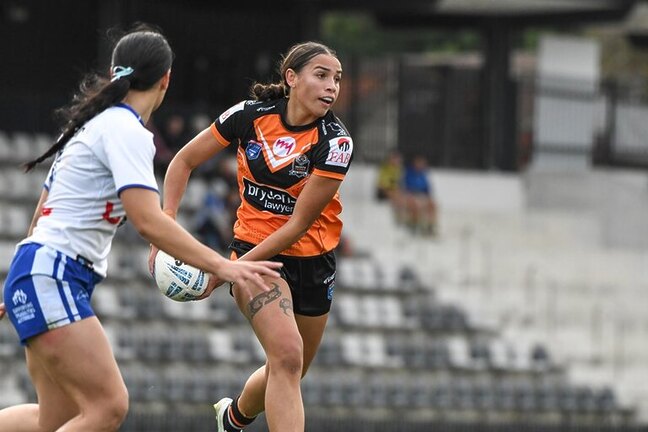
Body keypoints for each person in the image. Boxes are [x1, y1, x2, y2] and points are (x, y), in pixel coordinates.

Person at [0, 24, 281, 432]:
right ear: (166, 80)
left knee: (56, 421)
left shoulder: (91, 124)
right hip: (54, 275)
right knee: (108, 406)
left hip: (38, 270)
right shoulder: (126, 129)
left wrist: (21, 282)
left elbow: (43, 211)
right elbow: (148, 221)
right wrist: (224, 266)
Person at [152, 41, 353, 432]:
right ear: (291, 78)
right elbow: (183, 161)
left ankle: (233, 419)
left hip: (314, 262)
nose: (332, 86)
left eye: (338, 79)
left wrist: (225, 271)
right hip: (255, 255)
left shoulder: (336, 142)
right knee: (288, 356)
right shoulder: (250, 116)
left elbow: (297, 225)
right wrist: (166, 227)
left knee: (293, 368)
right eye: (322, 75)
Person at [402, 154, 438, 236]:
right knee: (415, 204)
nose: (421, 165)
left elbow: (427, 188)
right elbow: (405, 186)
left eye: (423, 164)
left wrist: (428, 197)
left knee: (432, 205)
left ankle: (430, 227)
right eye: (419, 163)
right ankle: (414, 226)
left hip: (421, 195)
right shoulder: (408, 172)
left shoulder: (423, 174)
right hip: (410, 194)